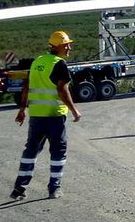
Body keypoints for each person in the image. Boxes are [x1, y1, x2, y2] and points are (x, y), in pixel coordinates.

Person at [10, 30, 82, 200]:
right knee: (58, 151)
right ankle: (54, 188)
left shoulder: (38, 61)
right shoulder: (59, 64)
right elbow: (62, 90)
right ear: (58, 46)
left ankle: (19, 188)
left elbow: (27, 85)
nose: (69, 48)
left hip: (36, 115)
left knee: (31, 150)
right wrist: (74, 110)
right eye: (67, 45)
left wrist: (22, 109)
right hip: (54, 116)